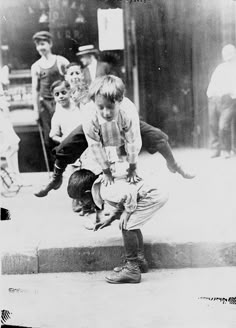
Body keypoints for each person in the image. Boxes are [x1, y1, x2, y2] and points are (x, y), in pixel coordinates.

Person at [67, 167, 168, 284]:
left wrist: (128, 212)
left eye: (81, 200)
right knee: (131, 223)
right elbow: (122, 200)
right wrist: (111, 218)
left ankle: (132, 269)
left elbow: (130, 192)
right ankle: (139, 261)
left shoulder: (105, 191)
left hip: (152, 195)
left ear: (87, 193)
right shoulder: (103, 187)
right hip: (150, 193)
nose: (81, 204)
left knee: (127, 225)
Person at [31, 31, 69, 166]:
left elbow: (71, 81)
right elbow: (35, 90)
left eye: (43, 44)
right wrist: (36, 111)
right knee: (49, 138)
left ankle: (67, 164)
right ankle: (56, 168)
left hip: (61, 103)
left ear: (50, 44)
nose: (40, 47)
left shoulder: (61, 61)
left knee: (66, 133)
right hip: (45, 106)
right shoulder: (35, 66)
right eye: (38, 45)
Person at [207, 44, 236, 158]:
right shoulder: (220, 68)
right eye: (225, 53)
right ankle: (215, 149)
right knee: (213, 124)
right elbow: (213, 83)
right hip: (214, 99)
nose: (228, 55)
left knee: (223, 126)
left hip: (229, 100)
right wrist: (211, 95)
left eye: (230, 52)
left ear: (234, 54)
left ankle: (226, 150)